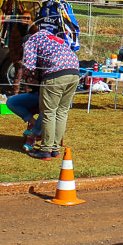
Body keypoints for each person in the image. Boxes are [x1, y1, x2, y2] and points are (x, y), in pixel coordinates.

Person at [21, 15, 80, 160]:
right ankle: (55, 148)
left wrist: (28, 76)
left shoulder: (31, 40)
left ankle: (45, 150)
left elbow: (28, 66)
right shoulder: (54, 38)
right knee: (62, 112)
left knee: (48, 112)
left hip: (55, 74)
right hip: (74, 72)